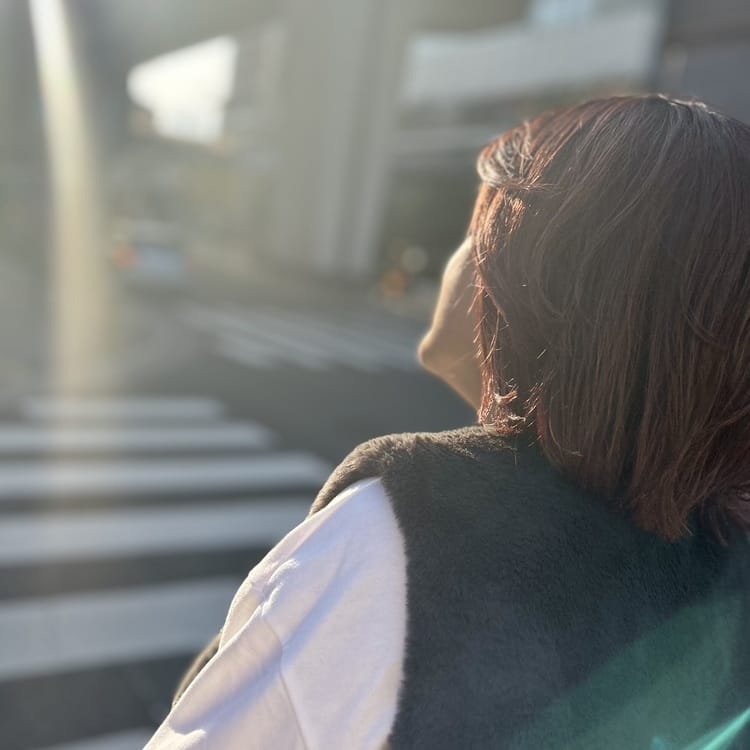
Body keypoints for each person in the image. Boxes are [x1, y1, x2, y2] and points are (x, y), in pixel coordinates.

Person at [145, 95, 750, 749]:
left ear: (542, 278)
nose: (461, 258)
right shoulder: (719, 567)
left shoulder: (411, 535)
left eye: (483, 225)